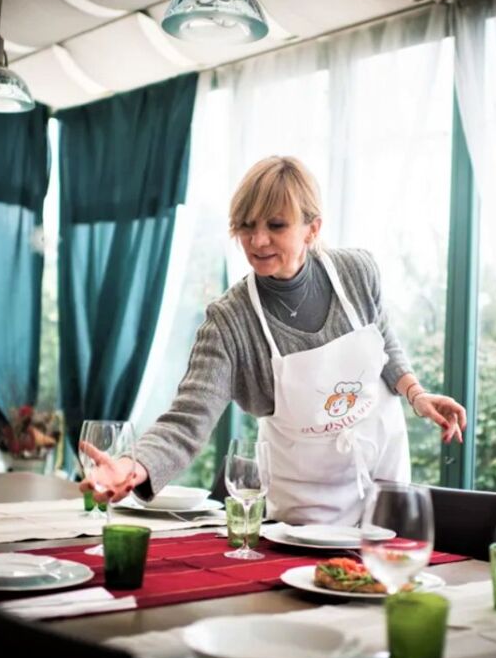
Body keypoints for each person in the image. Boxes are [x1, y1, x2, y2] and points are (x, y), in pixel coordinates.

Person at [82, 156, 466, 526]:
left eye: (277, 225)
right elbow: (188, 419)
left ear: (312, 229)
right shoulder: (230, 321)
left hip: (383, 477)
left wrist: (417, 395)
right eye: (246, 226)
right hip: (306, 504)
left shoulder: (357, 272)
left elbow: (383, 340)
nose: (258, 240)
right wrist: (132, 466)